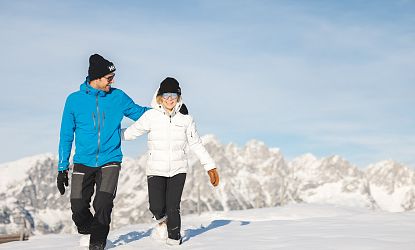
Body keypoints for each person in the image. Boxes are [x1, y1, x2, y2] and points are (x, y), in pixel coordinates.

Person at [56, 54, 150, 250]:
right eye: (109, 77)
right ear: (96, 78)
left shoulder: (118, 97)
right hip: (83, 160)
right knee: (78, 206)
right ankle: (88, 231)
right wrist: (62, 167)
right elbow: (66, 135)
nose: (112, 81)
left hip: (110, 159)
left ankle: (97, 244)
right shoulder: (74, 100)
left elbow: (140, 113)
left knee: (103, 204)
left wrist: (166, 110)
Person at [122, 77, 220, 245]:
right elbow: (131, 133)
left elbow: (196, 143)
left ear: (178, 97)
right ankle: (162, 222)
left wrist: (210, 166)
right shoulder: (151, 116)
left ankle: (174, 240)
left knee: (173, 207)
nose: (169, 100)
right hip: (155, 169)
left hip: (178, 169)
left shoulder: (186, 119)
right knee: (156, 207)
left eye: (173, 96)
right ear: (160, 96)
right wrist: (106, 135)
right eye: (166, 95)